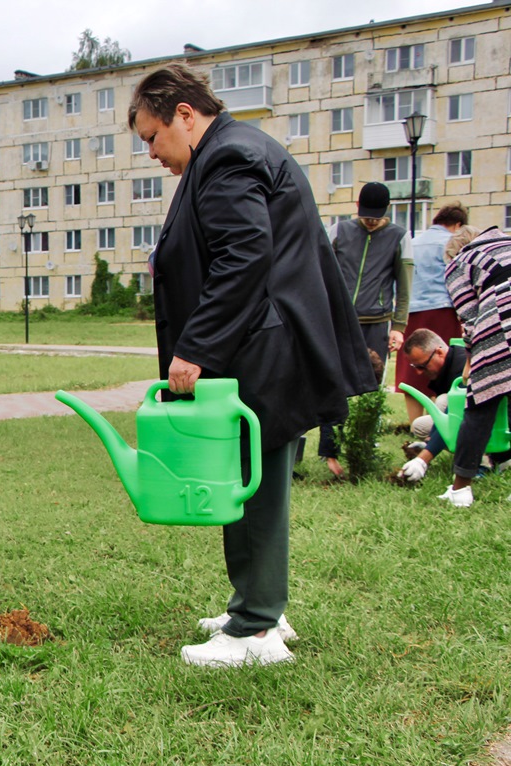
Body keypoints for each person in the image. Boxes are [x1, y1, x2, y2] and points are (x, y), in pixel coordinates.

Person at [127, 64, 375, 667]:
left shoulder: (229, 156)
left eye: (152, 137)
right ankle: (257, 605)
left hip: (263, 350)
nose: (152, 153)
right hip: (263, 346)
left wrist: (197, 347)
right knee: (246, 479)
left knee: (252, 483)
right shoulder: (228, 151)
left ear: (184, 114)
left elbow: (244, 255)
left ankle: (256, 630)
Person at [315, 183, 412, 476]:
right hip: (339, 320)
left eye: (376, 217)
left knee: (370, 389)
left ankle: (363, 449)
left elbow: (404, 285)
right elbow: (319, 272)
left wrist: (399, 326)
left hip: (377, 323)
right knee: (333, 384)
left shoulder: (399, 237)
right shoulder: (338, 231)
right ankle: (329, 453)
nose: (370, 221)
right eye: (366, 215)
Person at [438, 226, 511, 507]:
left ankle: (460, 490)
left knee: (481, 404)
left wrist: (471, 363)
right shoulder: (504, 242)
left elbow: (469, 317)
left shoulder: (461, 261)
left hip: (502, 320)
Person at [397, 204, 469, 423]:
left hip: (412, 309)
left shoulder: (413, 242)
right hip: (444, 308)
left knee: (413, 369)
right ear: (458, 225)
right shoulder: (451, 243)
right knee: (444, 365)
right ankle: (439, 420)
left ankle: (414, 423)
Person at [397, 329, 467, 483]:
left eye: (422, 366)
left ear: (439, 353)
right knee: (420, 426)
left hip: (498, 426)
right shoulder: (448, 364)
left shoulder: (463, 368)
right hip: (469, 419)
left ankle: (486, 460)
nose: (419, 373)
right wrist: (428, 444)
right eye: (414, 367)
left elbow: (452, 420)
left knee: (443, 401)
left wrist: (422, 460)